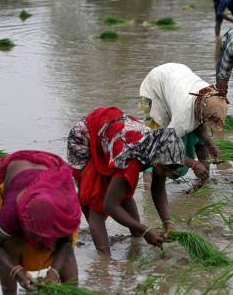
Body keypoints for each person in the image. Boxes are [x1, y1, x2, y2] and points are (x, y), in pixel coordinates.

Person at [67, 106, 187, 255]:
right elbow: (110, 205)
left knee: (122, 191)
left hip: (111, 134)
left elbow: (158, 189)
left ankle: (135, 239)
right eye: (166, 170)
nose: (167, 175)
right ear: (158, 162)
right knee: (97, 201)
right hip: (85, 138)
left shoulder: (158, 149)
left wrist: (167, 222)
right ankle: (104, 260)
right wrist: (145, 229)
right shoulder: (130, 159)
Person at [0, 151, 82, 293]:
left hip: (51, 168)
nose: (40, 242)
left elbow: (66, 241)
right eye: (36, 234)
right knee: (10, 247)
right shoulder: (10, 215)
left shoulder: (63, 211)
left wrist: (54, 271)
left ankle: (72, 292)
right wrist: (16, 270)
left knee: (67, 253)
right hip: (17, 172)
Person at [140, 63, 228, 188]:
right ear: (199, 112)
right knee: (156, 146)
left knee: (199, 140)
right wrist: (193, 163)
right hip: (153, 91)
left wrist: (211, 145)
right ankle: (149, 191)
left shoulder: (209, 95)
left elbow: (200, 124)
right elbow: (165, 147)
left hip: (174, 79)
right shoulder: (182, 117)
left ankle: (204, 184)